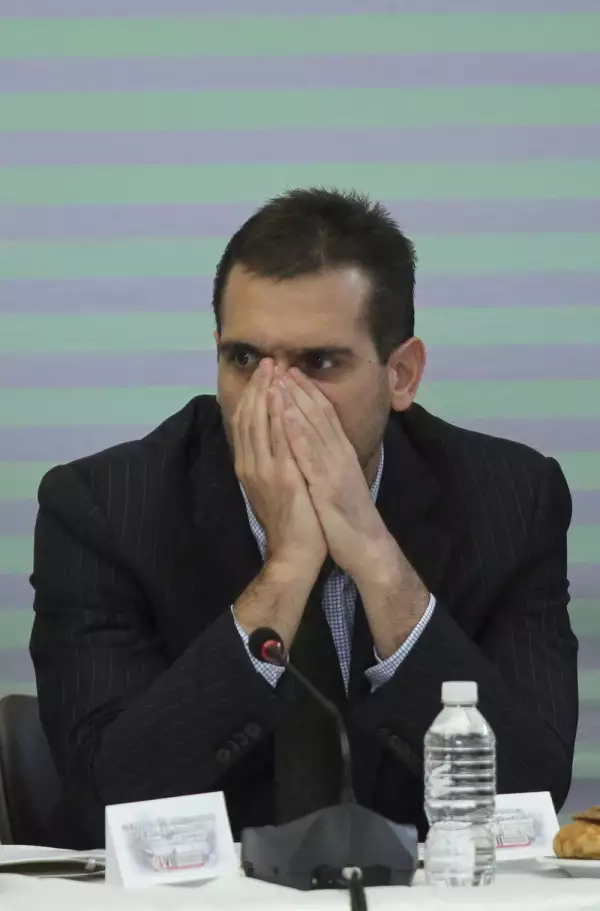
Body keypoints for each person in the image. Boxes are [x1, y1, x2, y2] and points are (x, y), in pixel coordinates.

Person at [30, 188, 578, 850]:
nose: (274, 398)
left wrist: (376, 558)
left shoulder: (512, 500)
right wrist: (287, 566)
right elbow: (107, 800)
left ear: (400, 374)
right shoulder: (102, 509)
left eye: (318, 363)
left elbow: (530, 792)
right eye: (243, 360)